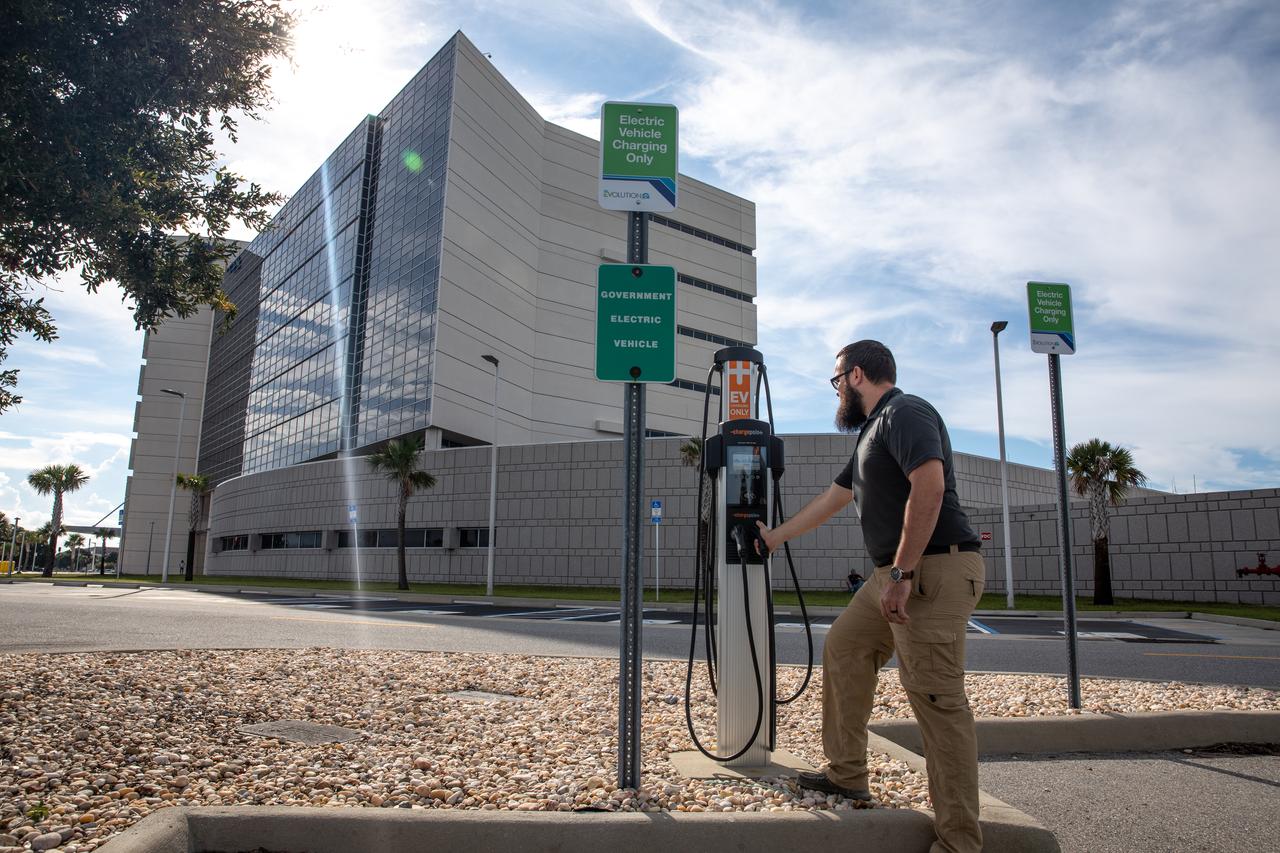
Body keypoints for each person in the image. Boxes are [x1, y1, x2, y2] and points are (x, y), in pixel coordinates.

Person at [756, 339, 985, 853]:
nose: (836, 391)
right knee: (845, 646)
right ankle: (847, 774)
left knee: (935, 700)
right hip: (894, 574)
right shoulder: (869, 435)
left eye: (837, 381)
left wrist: (902, 572)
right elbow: (831, 501)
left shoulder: (906, 412)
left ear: (856, 376)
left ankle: (959, 842)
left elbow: (929, 485)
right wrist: (773, 538)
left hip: (933, 570)